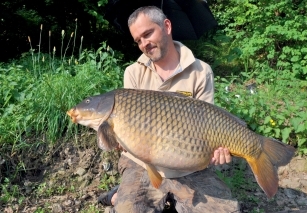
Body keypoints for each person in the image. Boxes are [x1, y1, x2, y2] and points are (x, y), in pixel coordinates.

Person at [98, 6, 239, 213]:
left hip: (189, 166)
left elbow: (211, 126)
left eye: (148, 34)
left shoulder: (201, 71)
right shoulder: (133, 73)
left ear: (166, 26)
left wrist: (218, 150)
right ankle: (122, 194)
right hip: (142, 163)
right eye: (138, 40)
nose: (144, 44)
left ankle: (142, 196)